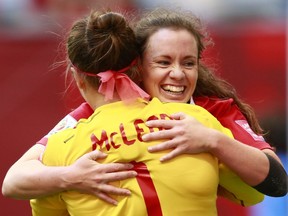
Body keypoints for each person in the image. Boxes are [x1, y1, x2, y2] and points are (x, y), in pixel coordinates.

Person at [2, 6, 286, 206]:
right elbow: (14, 181)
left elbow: (278, 183)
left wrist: (212, 140)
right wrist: (72, 176)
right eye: (163, 62)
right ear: (137, 66)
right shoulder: (97, 111)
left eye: (188, 63)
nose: (178, 73)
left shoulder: (214, 110)